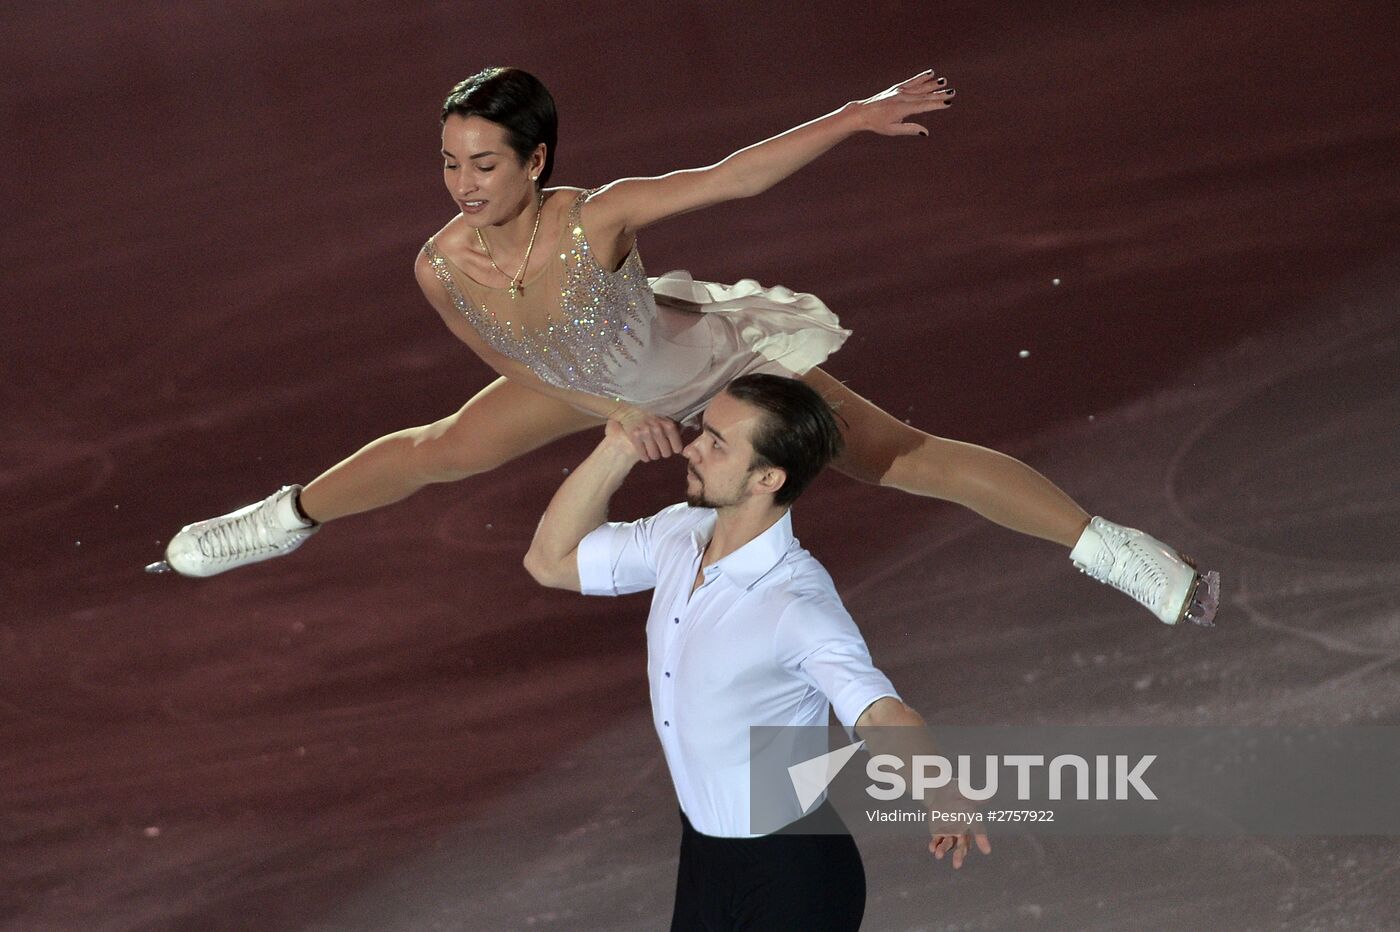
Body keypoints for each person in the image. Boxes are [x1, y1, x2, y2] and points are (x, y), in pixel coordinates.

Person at [149, 66, 1218, 627]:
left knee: (899, 455)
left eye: (483, 163)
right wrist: (592, 405)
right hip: (583, 385)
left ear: (536, 160)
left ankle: (1108, 546)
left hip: (707, 366)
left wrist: (850, 116)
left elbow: (730, 176)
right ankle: (281, 519)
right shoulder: (436, 263)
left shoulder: (596, 217)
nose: (462, 185)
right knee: (439, 446)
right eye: (448, 163)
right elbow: (499, 357)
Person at [522, 374, 991, 929]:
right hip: (706, 861)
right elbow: (549, 562)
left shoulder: (795, 603)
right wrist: (618, 447)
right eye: (704, 432)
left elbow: (877, 711)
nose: (692, 447)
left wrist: (941, 790)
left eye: (717, 443)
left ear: (768, 476)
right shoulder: (679, 536)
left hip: (794, 879)